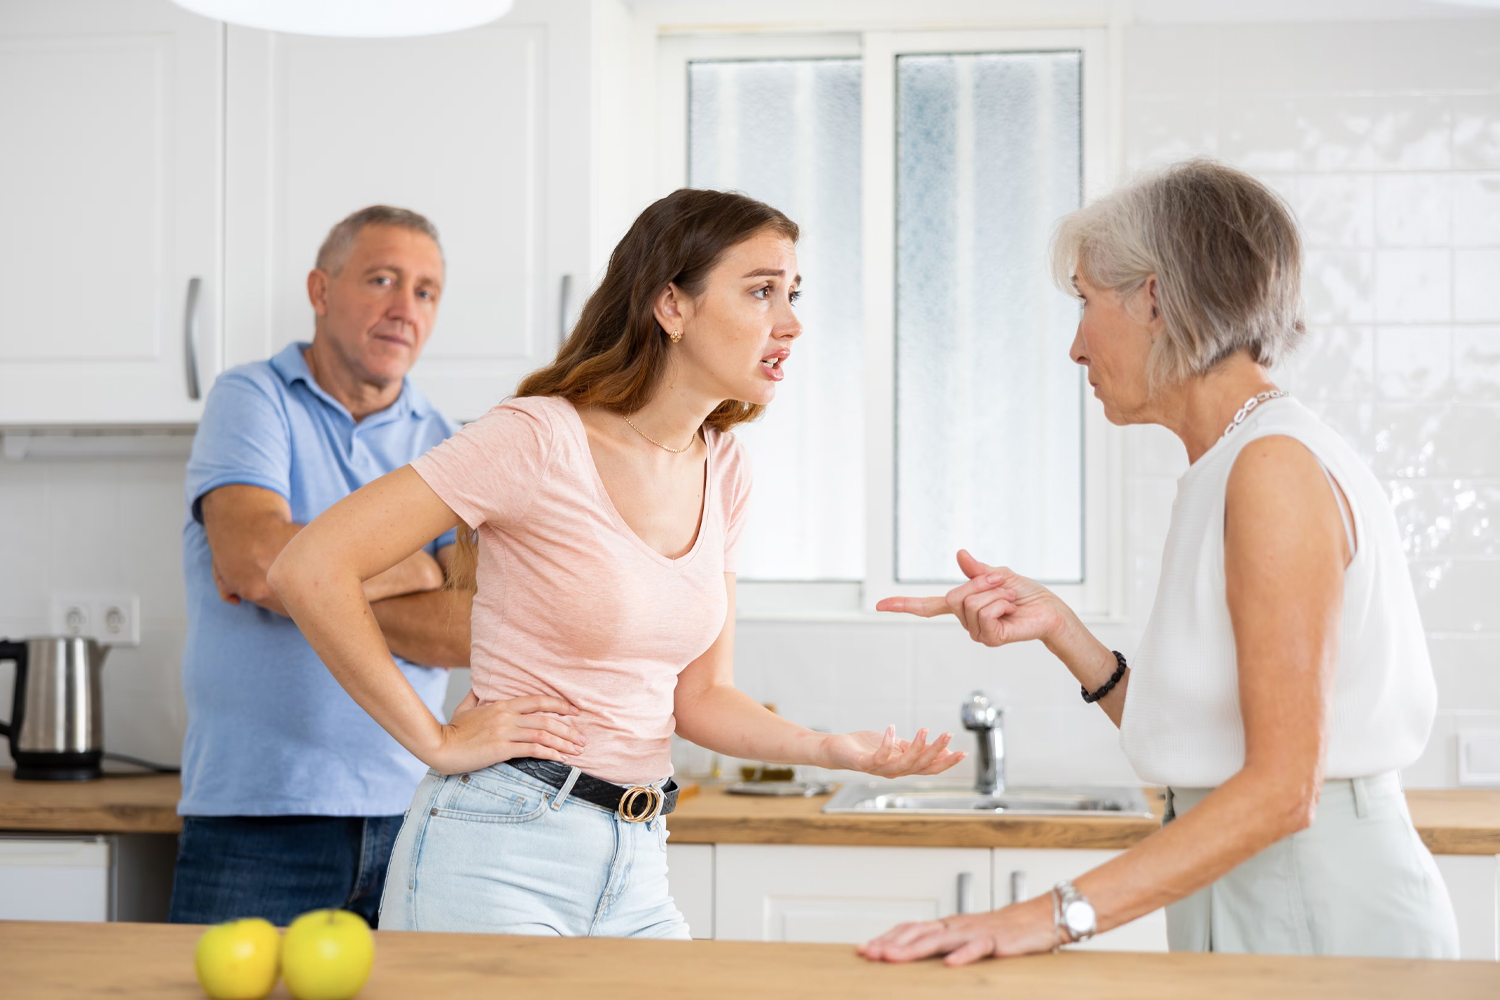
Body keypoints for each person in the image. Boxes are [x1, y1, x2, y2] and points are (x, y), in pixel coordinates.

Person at [267, 189, 964, 938]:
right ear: (672, 305)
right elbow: (309, 567)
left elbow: (701, 697)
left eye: (792, 295)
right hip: (497, 849)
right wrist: (433, 740)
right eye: (761, 291)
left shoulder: (723, 470)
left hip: (636, 858)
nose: (790, 322)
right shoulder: (538, 439)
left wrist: (828, 749)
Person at [862, 159, 1459, 963]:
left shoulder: (1272, 469)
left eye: (1083, 299)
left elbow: (1284, 787)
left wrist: (1041, 918)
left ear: (1154, 295)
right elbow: (1212, 744)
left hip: (1313, 899)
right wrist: (1064, 632)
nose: (1075, 346)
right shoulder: (1230, 463)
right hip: (1253, 887)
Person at [169, 206, 472, 927]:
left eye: (426, 291)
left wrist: (308, 579)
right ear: (321, 289)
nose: (405, 309)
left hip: (408, 816)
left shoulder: (445, 442)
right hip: (257, 818)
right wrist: (419, 569)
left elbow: (465, 627)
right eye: (381, 280)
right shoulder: (252, 398)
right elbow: (254, 562)